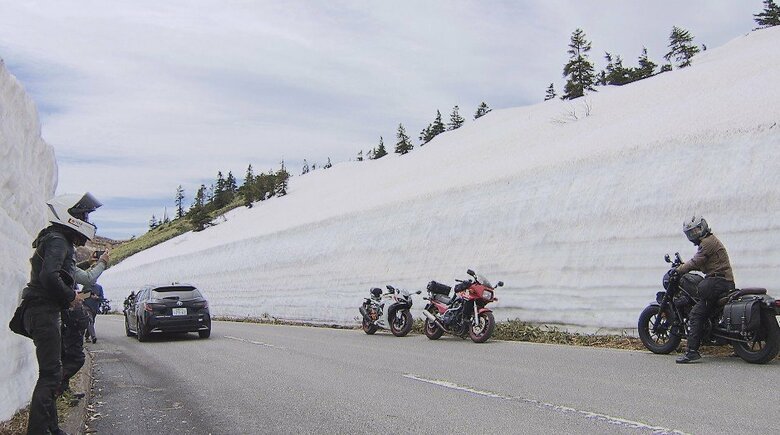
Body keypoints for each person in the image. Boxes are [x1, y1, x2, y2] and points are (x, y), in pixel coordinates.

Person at [20, 192, 102, 435]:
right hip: (42, 311)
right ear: (71, 217)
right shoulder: (57, 240)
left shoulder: (56, 238)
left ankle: (52, 429)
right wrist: (70, 296)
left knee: (52, 372)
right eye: (83, 215)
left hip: (42, 311)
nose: (87, 219)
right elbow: (48, 276)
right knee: (50, 375)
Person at [674, 215, 735, 364]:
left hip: (718, 282)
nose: (695, 234)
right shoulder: (710, 242)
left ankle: (692, 352)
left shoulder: (707, 242)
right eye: (691, 233)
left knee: (696, 313)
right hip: (724, 282)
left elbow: (696, 261)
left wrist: (679, 269)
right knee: (708, 306)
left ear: (704, 226)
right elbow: (702, 263)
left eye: (696, 230)